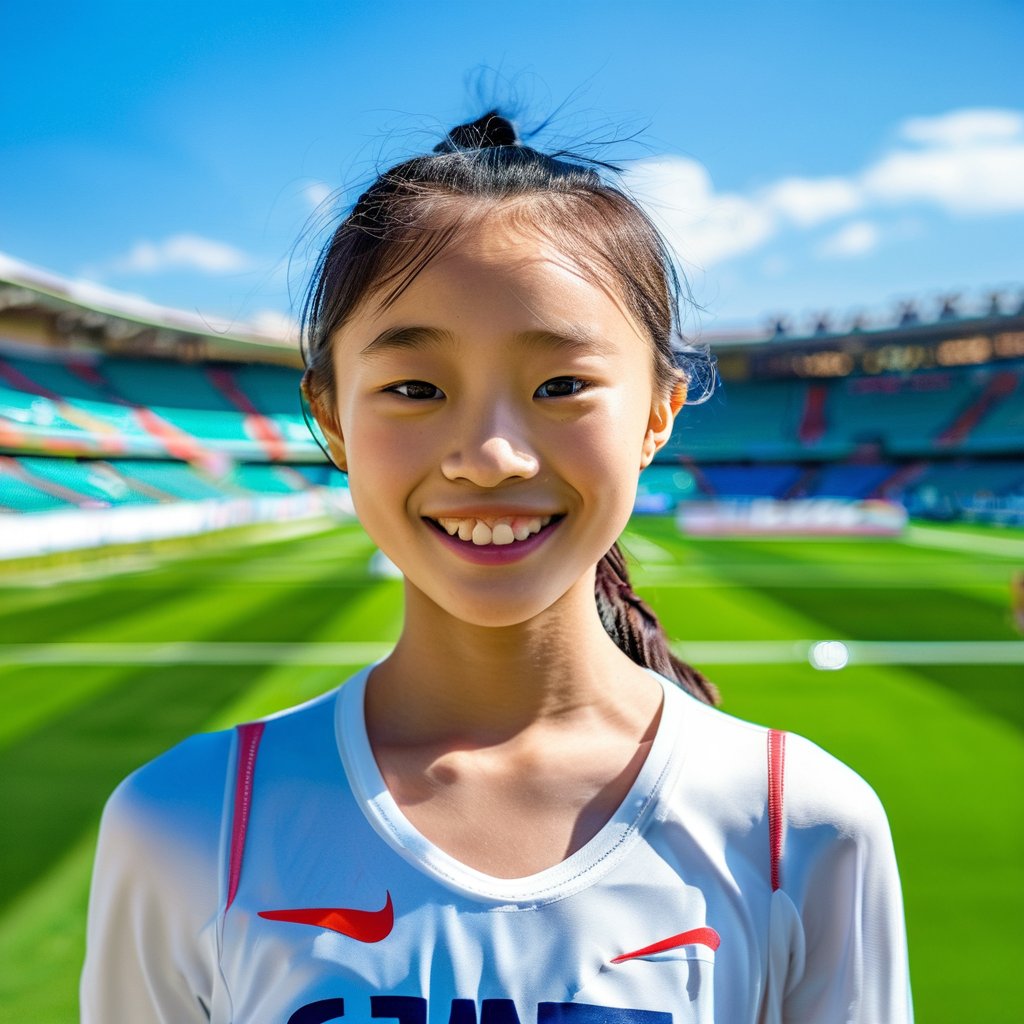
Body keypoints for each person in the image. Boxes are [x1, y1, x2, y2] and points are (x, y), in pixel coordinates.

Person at [81, 112, 913, 1023]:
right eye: (414, 389)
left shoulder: (804, 826)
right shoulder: (185, 822)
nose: (490, 456)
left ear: (658, 413)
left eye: (560, 386)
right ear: (330, 417)